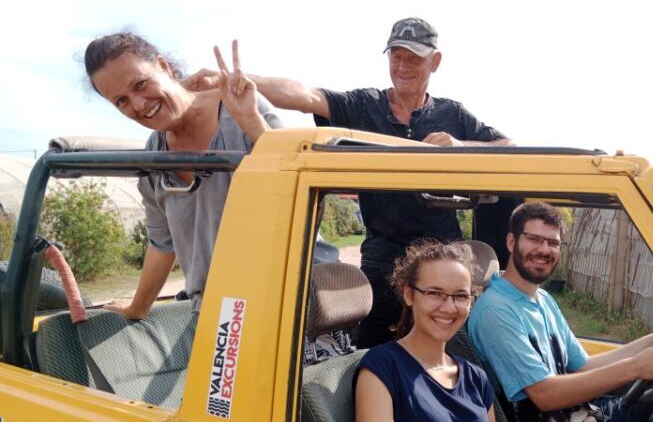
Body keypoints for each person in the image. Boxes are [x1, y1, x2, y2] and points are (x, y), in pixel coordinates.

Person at [184, 18, 513, 348]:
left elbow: (509, 148)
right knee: (370, 357)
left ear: (435, 62)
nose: (403, 66)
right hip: (384, 261)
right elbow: (306, 95)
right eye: (396, 56)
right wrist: (240, 81)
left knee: (461, 354)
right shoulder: (363, 105)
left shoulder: (453, 115)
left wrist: (460, 145)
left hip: (445, 260)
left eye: (414, 57)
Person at [468, 202, 653, 422]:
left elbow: (583, 366)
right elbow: (545, 394)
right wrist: (636, 367)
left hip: (585, 417)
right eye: (534, 239)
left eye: (552, 242)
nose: (544, 249)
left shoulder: (542, 299)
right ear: (512, 241)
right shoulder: (496, 311)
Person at [354, 241, 556, 422]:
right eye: (434, 293)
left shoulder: (475, 376)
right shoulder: (382, 367)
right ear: (409, 295)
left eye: (460, 296)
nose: (449, 308)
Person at [84, 33, 282, 319]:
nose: (138, 105)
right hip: (222, 314)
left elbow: (299, 191)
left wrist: (251, 122)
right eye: (122, 101)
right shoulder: (154, 155)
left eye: (140, 84)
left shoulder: (241, 108)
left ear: (164, 66)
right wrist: (135, 310)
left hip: (288, 301)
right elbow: (163, 244)